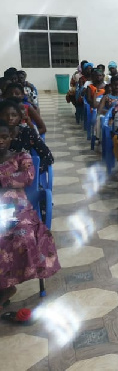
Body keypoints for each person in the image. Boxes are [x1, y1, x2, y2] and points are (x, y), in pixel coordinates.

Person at [0, 119, 60, 308]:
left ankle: (7, 287)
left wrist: (2, 179)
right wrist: (9, 178)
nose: (0, 141)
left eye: (3, 137)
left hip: (16, 206)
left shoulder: (20, 156)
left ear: (11, 137)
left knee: (22, 235)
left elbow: (27, 177)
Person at [0, 100, 54, 174]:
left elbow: (48, 157)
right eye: (5, 115)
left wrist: (31, 171)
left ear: (20, 117)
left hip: (24, 177)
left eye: (14, 115)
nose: (10, 118)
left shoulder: (27, 132)